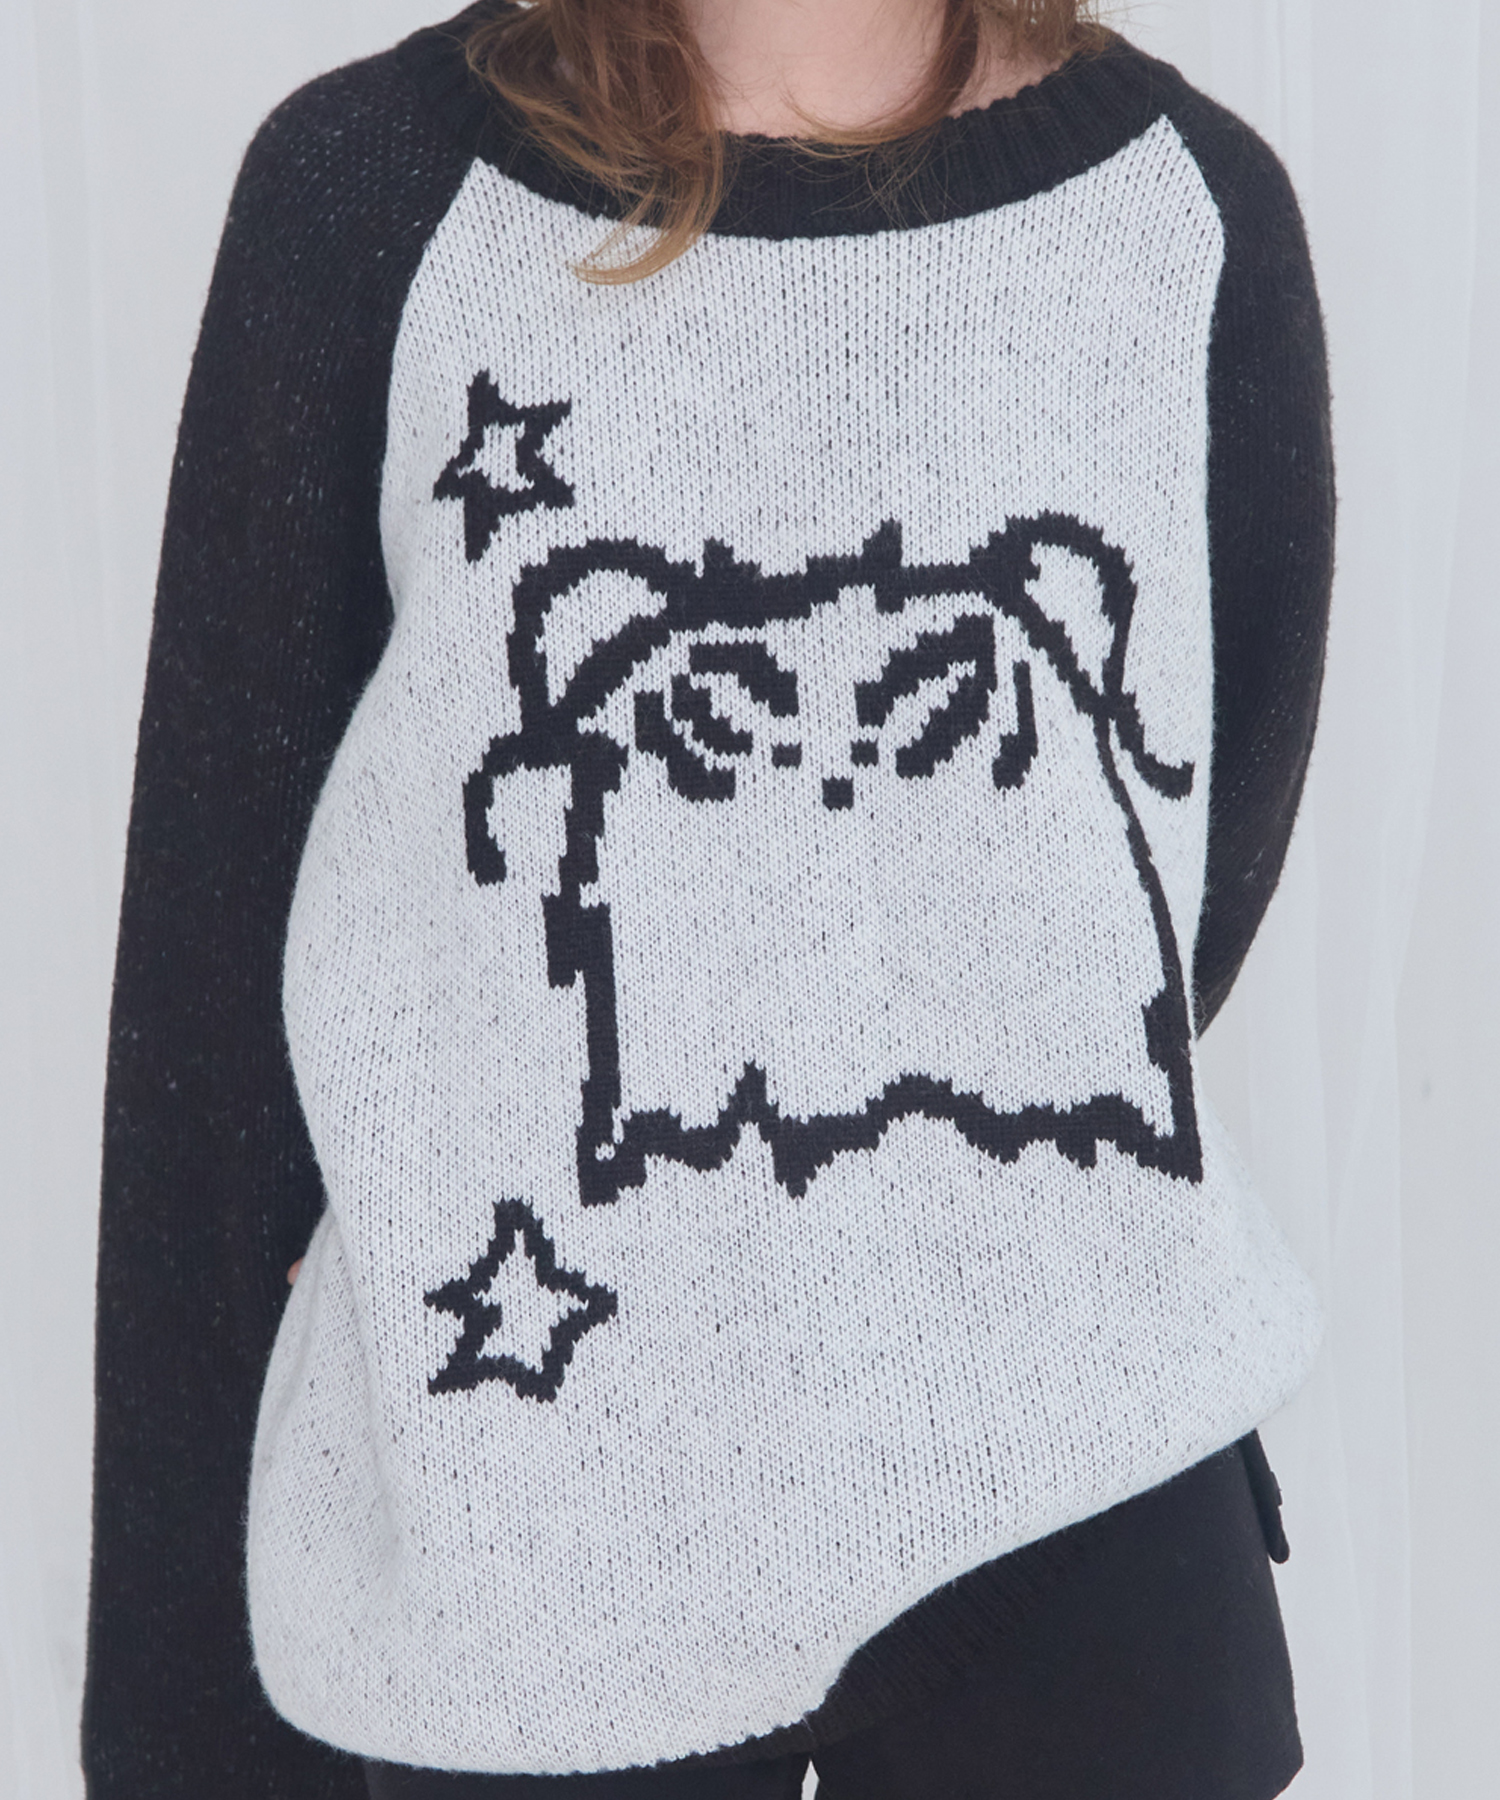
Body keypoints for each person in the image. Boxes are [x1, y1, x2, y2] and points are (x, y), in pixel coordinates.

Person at [82, 0, 1335, 1795]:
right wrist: (189, 1717)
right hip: (532, 1514)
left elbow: (1194, 854)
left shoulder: (1189, 209)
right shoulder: (367, 194)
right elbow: (210, 985)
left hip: (1090, 1470)